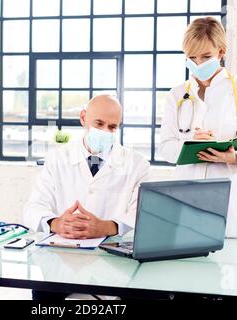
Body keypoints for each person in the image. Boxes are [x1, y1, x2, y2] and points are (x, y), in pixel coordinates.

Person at [24, 95, 151, 300]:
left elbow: (142, 215)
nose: (105, 131)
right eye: (99, 123)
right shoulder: (57, 158)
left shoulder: (137, 165)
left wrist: (106, 227)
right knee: (42, 294)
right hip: (64, 257)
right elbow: (33, 208)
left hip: (114, 262)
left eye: (112, 127)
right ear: (83, 118)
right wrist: (57, 223)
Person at [159, 17, 237, 240]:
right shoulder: (177, 95)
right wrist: (191, 141)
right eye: (191, 57)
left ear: (221, 52)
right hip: (186, 191)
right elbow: (166, 148)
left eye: (206, 56)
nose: (198, 63)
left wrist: (234, 159)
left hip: (232, 191)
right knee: (188, 259)